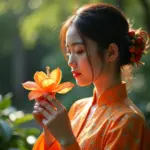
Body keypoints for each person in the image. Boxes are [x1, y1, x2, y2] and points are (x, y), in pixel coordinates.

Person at [32, 2, 150, 150]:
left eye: (79, 51)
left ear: (111, 52)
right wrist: (50, 130)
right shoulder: (78, 108)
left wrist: (67, 139)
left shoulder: (127, 121)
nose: (70, 62)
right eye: (69, 52)